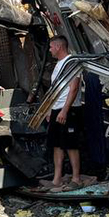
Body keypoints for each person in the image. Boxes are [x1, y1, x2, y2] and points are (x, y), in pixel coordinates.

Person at [42, 35, 90, 192]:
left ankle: (76, 179)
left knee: (71, 144)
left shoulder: (71, 62)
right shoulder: (58, 65)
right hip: (57, 109)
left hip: (68, 110)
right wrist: (51, 109)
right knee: (57, 145)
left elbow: (74, 88)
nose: (49, 50)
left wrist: (65, 110)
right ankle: (57, 179)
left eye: (51, 47)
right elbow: (55, 89)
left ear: (58, 47)